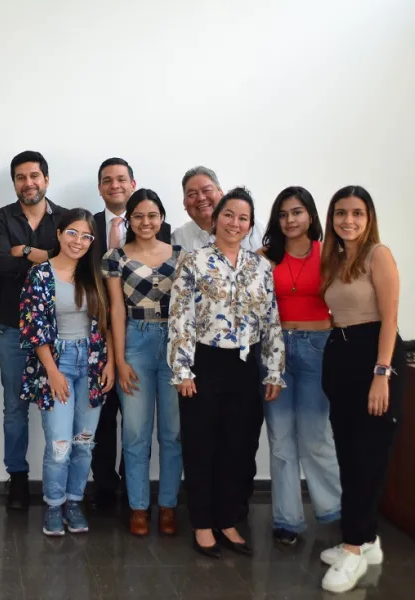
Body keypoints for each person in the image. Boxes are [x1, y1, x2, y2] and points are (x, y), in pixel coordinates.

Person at [168, 187, 284, 559]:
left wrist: (273, 371)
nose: (235, 223)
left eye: (243, 218)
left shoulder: (260, 267)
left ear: (250, 225)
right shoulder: (194, 260)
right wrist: (183, 369)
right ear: (216, 219)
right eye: (229, 215)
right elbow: (180, 316)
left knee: (239, 447)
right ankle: (202, 523)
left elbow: (271, 320)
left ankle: (228, 520)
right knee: (201, 446)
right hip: (203, 364)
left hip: (247, 366)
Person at [318, 186, 404, 594]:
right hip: (341, 356)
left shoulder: (378, 255)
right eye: (340, 213)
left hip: (374, 357)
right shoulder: (336, 259)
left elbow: (390, 319)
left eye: (356, 213)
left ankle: (352, 549)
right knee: (348, 456)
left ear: (369, 217)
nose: (348, 220)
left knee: (367, 458)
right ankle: (367, 541)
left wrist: (382, 373)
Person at [20, 208, 114, 536]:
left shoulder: (95, 274)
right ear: (59, 234)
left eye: (86, 236)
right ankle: (54, 504)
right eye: (72, 233)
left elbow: (106, 324)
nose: (78, 241)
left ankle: (74, 501)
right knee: (60, 443)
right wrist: (52, 371)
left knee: (84, 442)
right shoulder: (40, 274)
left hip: (93, 363)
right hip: (57, 363)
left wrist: (110, 364)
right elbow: (33, 327)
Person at [259, 187, 341, 546]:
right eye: (283, 214)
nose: (290, 220)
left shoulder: (331, 254)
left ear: (310, 215)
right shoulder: (265, 258)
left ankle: (337, 510)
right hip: (274, 352)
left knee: (315, 436)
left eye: (296, 212)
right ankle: (287, 520)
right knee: (280, 439)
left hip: (317, 348)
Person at [90, 158, 172, 511]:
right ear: (100, 187)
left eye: (121, 179)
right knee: (113, 421)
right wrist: (116, 355)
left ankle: (150, 498)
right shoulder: (93, 230)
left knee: (159, 429)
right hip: (109, 335)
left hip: (162, 340)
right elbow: (110, 303)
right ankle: (113, 493)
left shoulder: (172, 244)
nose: (115, 185)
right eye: (107, 180)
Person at [102, 189, 182, 536]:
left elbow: (187, 310)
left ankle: (168, 505)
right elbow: (116, 310)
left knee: (173, 432)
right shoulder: (114, 257)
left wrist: (185, 356)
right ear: (129, 220)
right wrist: (119, 359)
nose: (146, 222)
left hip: (174, 344)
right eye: (138, 216)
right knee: (135, 431)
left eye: (152, 215)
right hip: (135, 341)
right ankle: (138, 506)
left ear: (161, 218)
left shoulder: (180, 255)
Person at [0, 150, 66, 510]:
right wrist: (49, 256)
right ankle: (17, 478)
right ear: (14, 183)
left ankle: (58, 480)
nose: (28, 183)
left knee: (57, 406)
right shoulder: (2, 218)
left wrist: (24, 251)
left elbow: (71, 261)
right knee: (14, 407)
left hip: (58, 330)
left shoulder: (65, 218)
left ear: (46, 179)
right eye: (21, 177)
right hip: (12, 328)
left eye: (34, 176)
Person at [171, 166, 265, 251]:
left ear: (221, 193)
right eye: (192, 194)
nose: (201, 198)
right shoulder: (178, 238)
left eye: (207, 190)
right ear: (184, 203)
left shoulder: (255, 228)